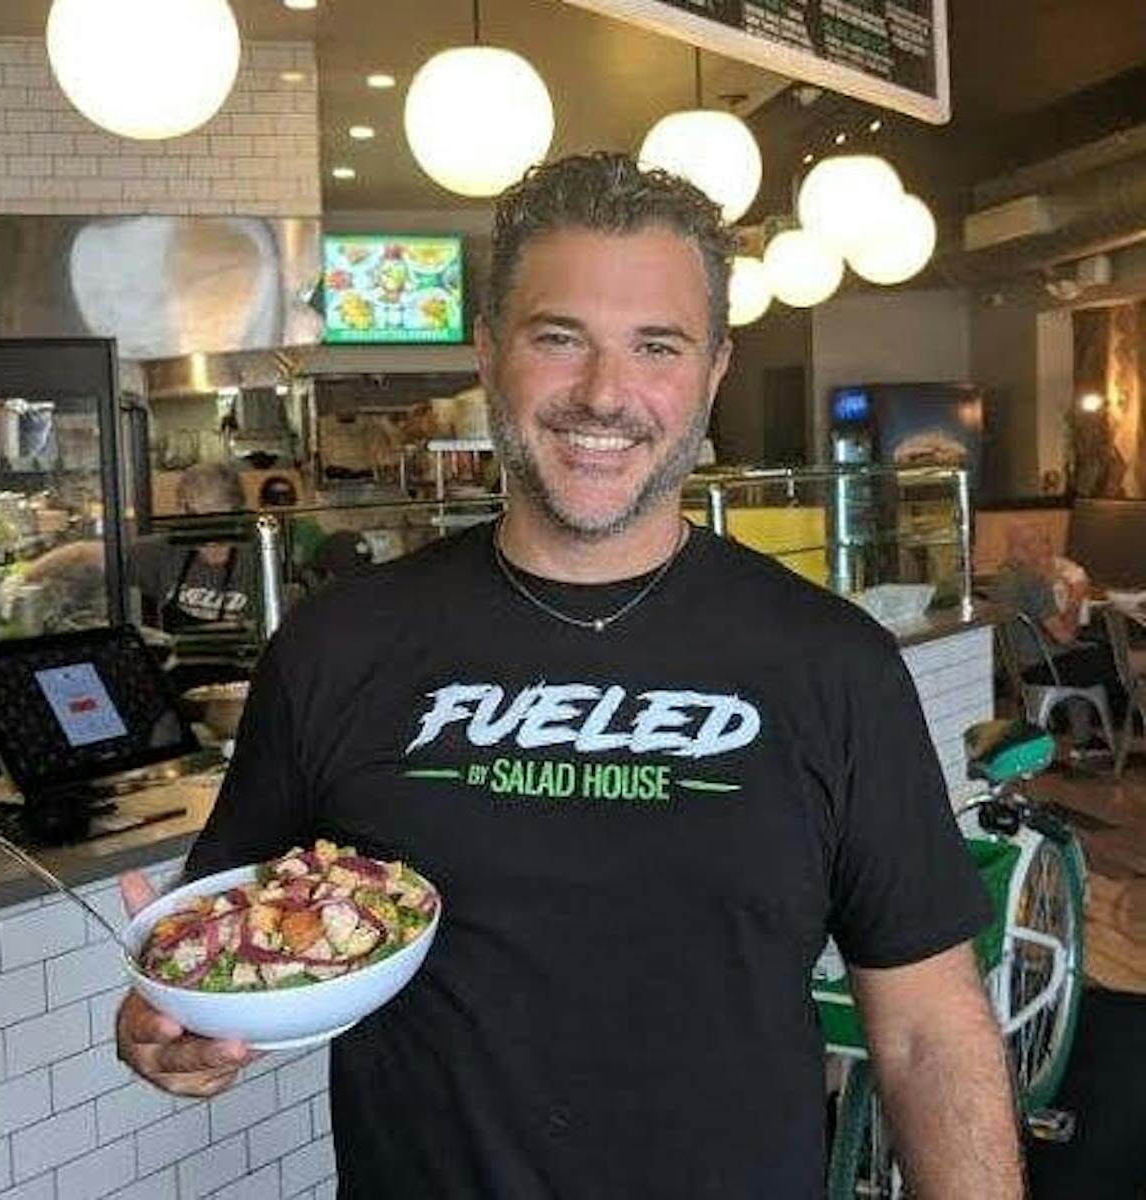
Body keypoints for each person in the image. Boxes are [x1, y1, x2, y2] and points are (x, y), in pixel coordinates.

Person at [117, 153, 1022, 1197]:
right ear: (490, 352)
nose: (606, 393)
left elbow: (924, 1031)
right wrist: (168, 1025)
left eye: (656, 346)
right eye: (560, 339)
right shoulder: (338, 649)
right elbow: (218, 948)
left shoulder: (832, 664)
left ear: (714, 372)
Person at [992, 520, 1125, 745]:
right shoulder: (1033, 581)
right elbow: (1064, 637)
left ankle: (1085, 740)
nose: (1049, 549)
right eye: (1043, 542)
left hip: (1016, 668)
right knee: (1117, 657)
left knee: (1090, 650)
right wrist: (1076, 596)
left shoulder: (1002, 578)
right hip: (1043, 668)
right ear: (1026, 547)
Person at [130, 462, 259, 690]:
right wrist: (44, 569)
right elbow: (92, 554)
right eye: (193, 514)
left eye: (215, 515)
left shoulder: (259, 557)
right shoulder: (165, 551)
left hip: (242, 697)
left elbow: (271, 629)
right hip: (182, 696)